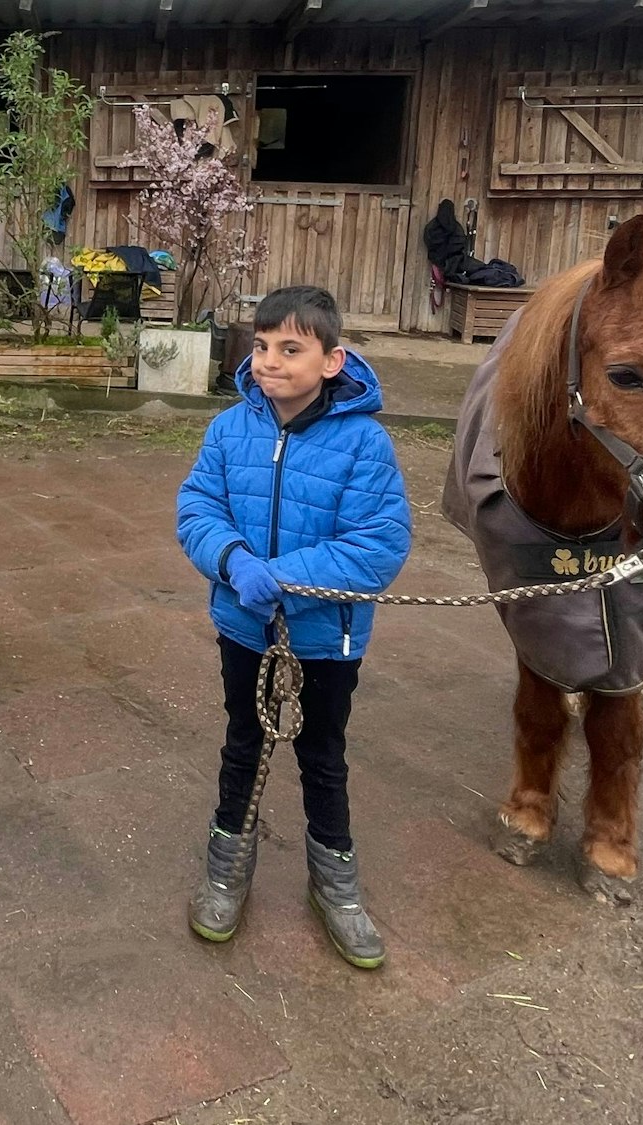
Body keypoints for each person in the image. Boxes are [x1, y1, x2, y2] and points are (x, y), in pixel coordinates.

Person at [174, 285, 411, 969]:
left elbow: (378, 543)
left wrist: (286, 579)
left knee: (322, 753)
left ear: (332, 360)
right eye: (261, 345)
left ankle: (335, 883)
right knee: (243, 741)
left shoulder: (365, 443)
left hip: (325, 639)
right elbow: (197, 506)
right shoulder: (229, 430)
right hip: (244, 627)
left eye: (291, 348)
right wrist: (233, 558)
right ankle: (227, 868)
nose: (270, 361)